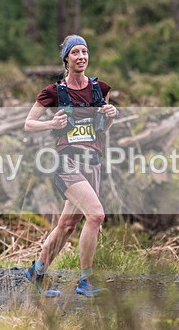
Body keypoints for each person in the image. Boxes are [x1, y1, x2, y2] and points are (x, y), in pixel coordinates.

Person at [23, 34, 119, 297]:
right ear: (66, 59)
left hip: (93, 162)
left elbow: (103, 129)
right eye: (75, 52)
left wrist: (110, 117)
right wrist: (51, 124)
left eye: (84, 52)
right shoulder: (54, 92)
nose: (81, 57)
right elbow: (28, 124)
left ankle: (37, 271)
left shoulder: (101, 89)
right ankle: (85, 280)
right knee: (96, 215)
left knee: (67, 225)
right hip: (67, 162)